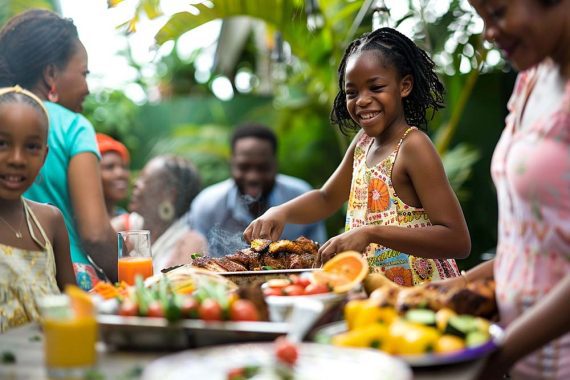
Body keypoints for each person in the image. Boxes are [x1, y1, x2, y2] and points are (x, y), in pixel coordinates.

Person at [245, 28, 471, 285]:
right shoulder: (362, 143)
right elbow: (326, 198)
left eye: (376, 87)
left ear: (404, 86)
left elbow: (457, 241)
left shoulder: (413, 146)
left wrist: (371, 233)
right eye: (352, 92)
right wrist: (280, 212)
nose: (362, 100)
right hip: (373, 298)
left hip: (422, 295)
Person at [430, 1, 570, 378]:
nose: (488, 32)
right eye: (481, 17)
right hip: (523, 359)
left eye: (498, 12)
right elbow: (530, 243)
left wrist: (496, 357)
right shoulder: (532, 79)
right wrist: (455, 287)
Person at [0, 9, 118, 290]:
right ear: (51, 73)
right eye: (84, 73)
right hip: (69, 284)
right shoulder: (73, 126)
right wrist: (145, 283)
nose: (87, 87)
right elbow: (96, 234)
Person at [0, 86, 75, 332]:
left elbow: (73, 308)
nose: (17, 159)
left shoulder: (50, 221)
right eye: (2, 143)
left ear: (43, 157)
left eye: (31, 147)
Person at [189, 123, 327, 257]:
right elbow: (198, 262)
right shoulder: (207, 205)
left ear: (275, 163)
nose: (253, 177)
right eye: (244, 167)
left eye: (262, 168)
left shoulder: (301, 196)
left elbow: (317, 256)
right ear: (232, 163)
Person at [112, 155, 207, 272]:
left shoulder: (190, 243)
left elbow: (177, 285)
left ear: (170, 194)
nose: (135, 183)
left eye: (144, 180)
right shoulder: (126, 226)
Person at [96, 133, 130, 218]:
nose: (120, 173)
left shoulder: (125, 217)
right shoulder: (74, 224)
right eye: (109, 167)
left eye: (124, 167)